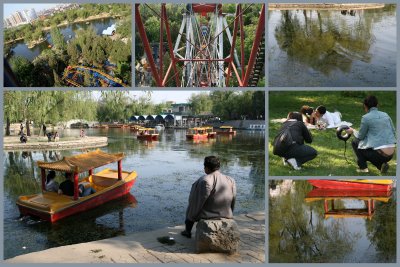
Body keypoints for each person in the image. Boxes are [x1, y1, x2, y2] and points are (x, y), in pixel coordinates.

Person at [181, 156, 236, 238]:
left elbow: (198, 201)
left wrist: (191, 216)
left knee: (191, 207)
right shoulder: (230, 179)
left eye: (204, 167)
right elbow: (233, 199)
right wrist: (230, 212)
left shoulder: (205, 180)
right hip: (226, 213)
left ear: (206, 167)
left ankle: (187, 231)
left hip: (209, 214)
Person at [346, 95, 396, 173]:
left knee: (355, 142)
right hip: (391, 153)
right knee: (370, 147)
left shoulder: (366, 118)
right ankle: (380, 166)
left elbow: (360, 137)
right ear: (377, 104)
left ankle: (363, 168)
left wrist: (353, 131)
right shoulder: (385, 114)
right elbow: (393, 130)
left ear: (365, 106)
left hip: (379, 154)